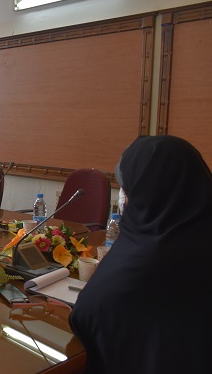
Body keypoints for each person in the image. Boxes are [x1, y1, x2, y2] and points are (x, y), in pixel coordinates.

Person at [69, 135, 212, 374]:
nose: (123, 195)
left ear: (146, 192)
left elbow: (86, 316)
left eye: (127, 187)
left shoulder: (143, 260)